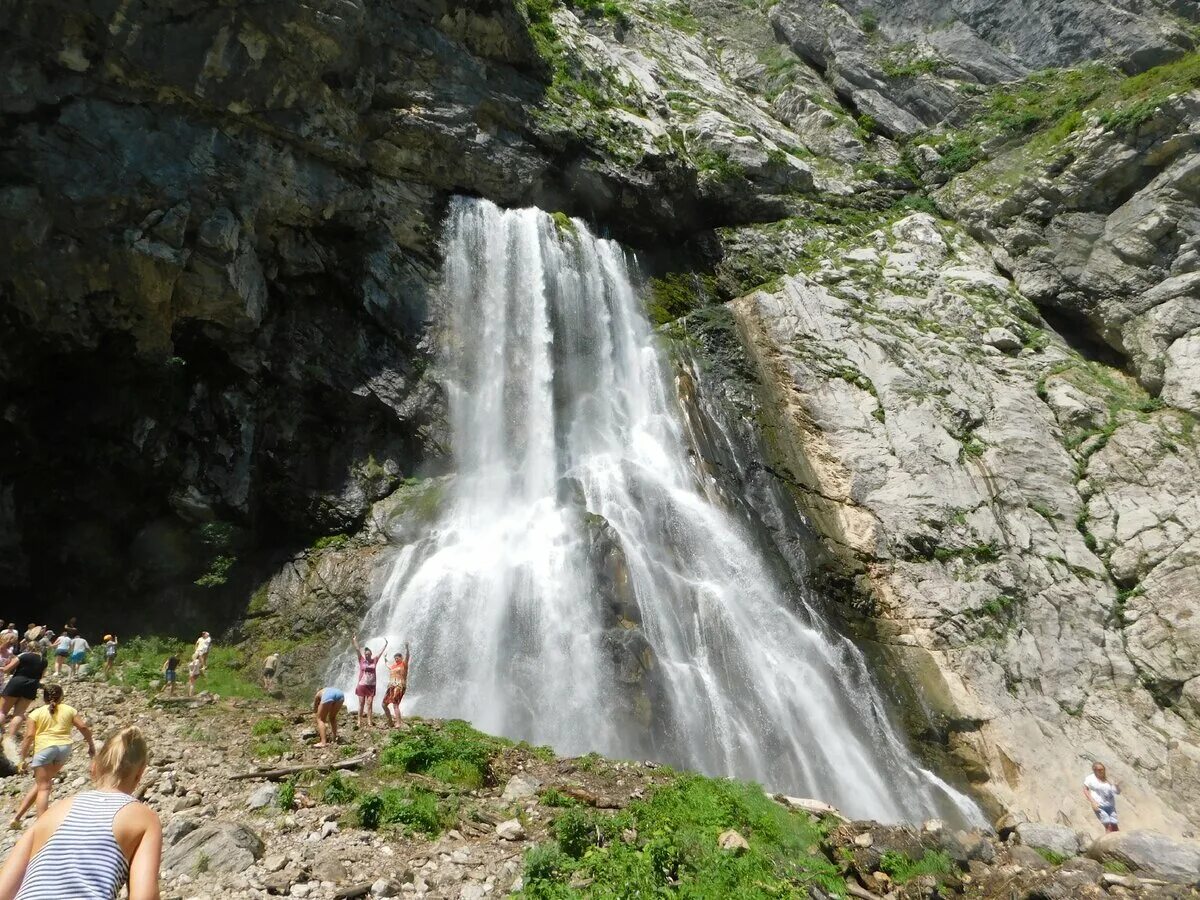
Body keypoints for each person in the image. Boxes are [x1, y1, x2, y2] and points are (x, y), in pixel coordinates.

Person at [0, 726, 162, 900]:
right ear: (139, 774)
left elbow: (4, 890)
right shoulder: (143, 818)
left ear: (93, 767)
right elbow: (144, 896)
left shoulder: (54, 812)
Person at [10, 685, 96, 828]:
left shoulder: (35, 714)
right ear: (61, 696)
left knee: (43, 787)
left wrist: (22, 758)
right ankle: (17, 817)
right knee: (42, 784)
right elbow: (83, 727)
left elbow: (29, 736)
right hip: (64, 749)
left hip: (44, 749)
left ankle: (41, 825)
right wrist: (91, 745)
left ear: (43, 698)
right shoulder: (69, 710)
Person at [0, 644, 47, 748]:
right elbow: (42, 676)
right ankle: (11, 739)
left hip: (17, 682)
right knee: (19, 713)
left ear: (28, 648)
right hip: (32, 685)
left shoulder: (24, 655)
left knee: (2, 711)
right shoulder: (44, 660)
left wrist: (2, 667)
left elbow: (7, 669)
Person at [351, 635, 386, 728]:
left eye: (368, 654)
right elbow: (358, 650)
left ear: (371, 653)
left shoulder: (374, 660)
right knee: (361, 703)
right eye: (365, 654)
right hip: (362, 685)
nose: (366, 655)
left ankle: (369, 721)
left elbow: (380, 653)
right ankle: (359, 721)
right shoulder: (361, 660)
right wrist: (355, 640)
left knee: (370, 704)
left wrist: (385, 645)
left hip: (371, 686)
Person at [1083, 761, 1121, 832]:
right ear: (1094, 770)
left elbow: (1116, 792)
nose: (1102, 771)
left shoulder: (1108, 779)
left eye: (1103, 769)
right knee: (1108, 825)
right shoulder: (1090, 779)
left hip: (1111, 806)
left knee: (1115, 826)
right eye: (1099, 770)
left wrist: (1116, 786)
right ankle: (1110, 842)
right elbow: (1085, 790)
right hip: (1099, 806)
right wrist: (1092, 801)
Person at [382, 643, 411, 729]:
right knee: (384, 704)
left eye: (398, 657)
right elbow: (387, 664)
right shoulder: (393, 666)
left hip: (399, 686)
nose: (396, 658)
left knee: (395, 704)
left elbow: (407, 657)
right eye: (395, 658)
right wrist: (384, 658)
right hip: (391, 686)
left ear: (401, 658)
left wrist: (407, 648)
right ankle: (390, 722)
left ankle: (398, 723)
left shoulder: (404, 664)